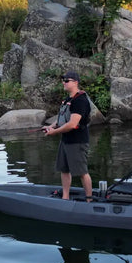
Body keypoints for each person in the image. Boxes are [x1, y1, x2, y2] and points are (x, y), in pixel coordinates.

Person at [43, 71, 92, 200]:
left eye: (66, 80)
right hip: (65, 141)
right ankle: (65, 197)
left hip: (77, 142)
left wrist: (54, 132)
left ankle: (89, 200)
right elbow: (61, 119)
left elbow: (72, 124)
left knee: (82, 172)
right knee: (64, 169)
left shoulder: (80, 100)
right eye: (63, 80)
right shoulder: (67, 100)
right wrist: (51, 127)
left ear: (75, 82)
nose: (63, 83)